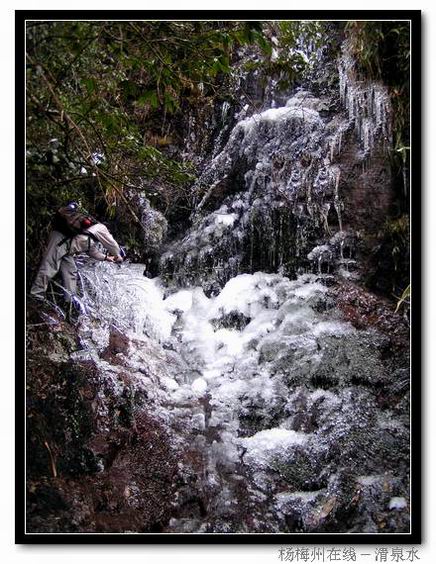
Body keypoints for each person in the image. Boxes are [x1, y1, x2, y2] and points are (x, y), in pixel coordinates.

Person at [30, 203, 124, 304]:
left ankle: (70, 301)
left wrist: (106, 258)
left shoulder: (91, 233)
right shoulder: (101, 228)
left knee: (71, 271)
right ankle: (36, 295)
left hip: (67, 249)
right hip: (60, 240)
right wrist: (118, 256)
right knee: (49, 267)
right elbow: (112, 244)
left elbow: (92, 252)